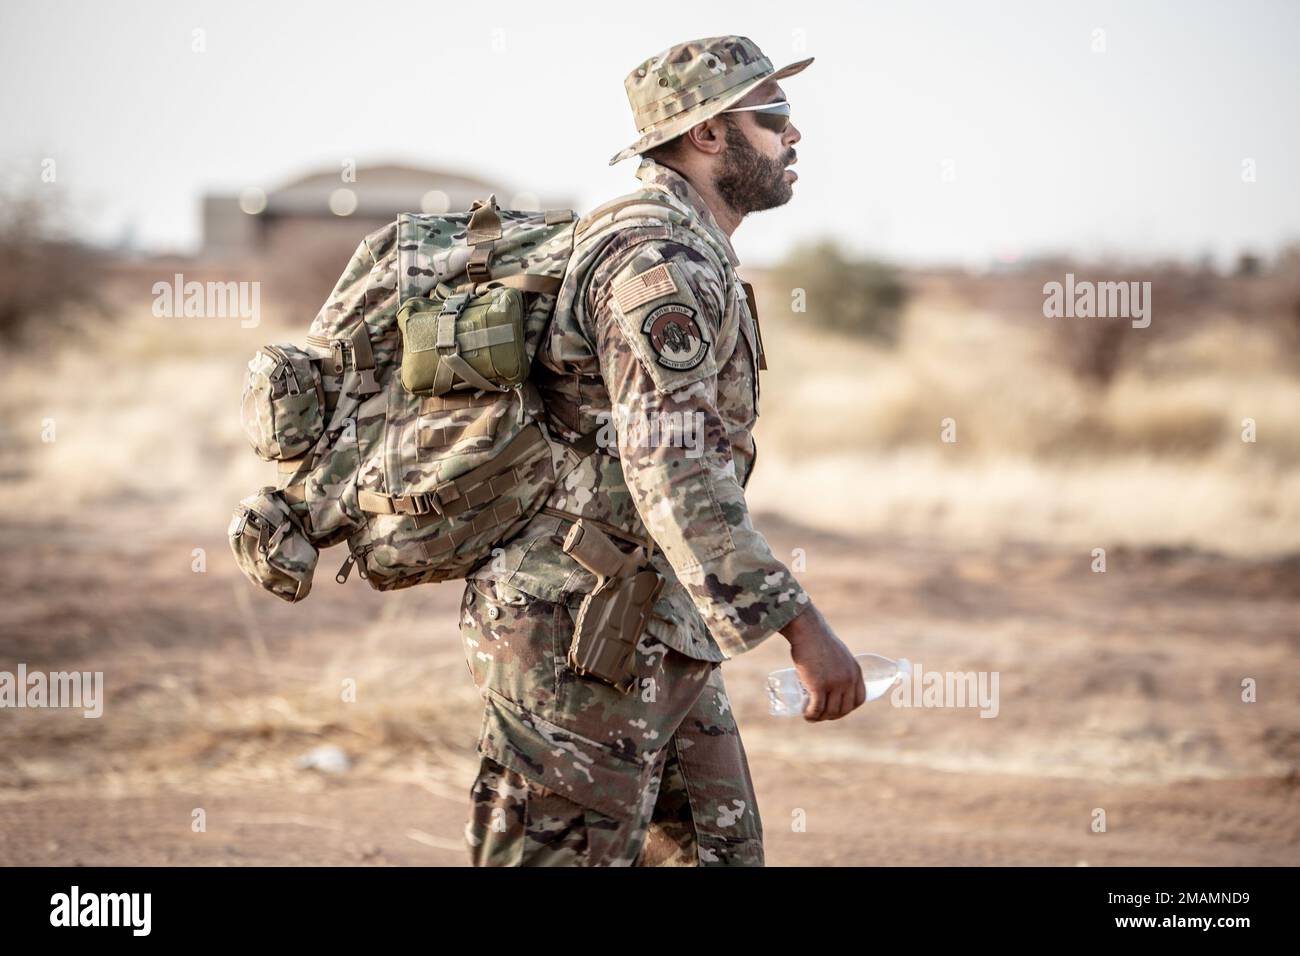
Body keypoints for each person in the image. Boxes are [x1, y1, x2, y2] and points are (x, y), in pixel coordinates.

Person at [458, 34, 864, 867]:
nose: (796, 137)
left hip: (654, 623)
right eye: (774, 115)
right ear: (709, 135)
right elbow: (672, 468)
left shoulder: (694, 243)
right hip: (577, 636)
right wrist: (801, 625)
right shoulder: (660, 257)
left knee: (719, 853)